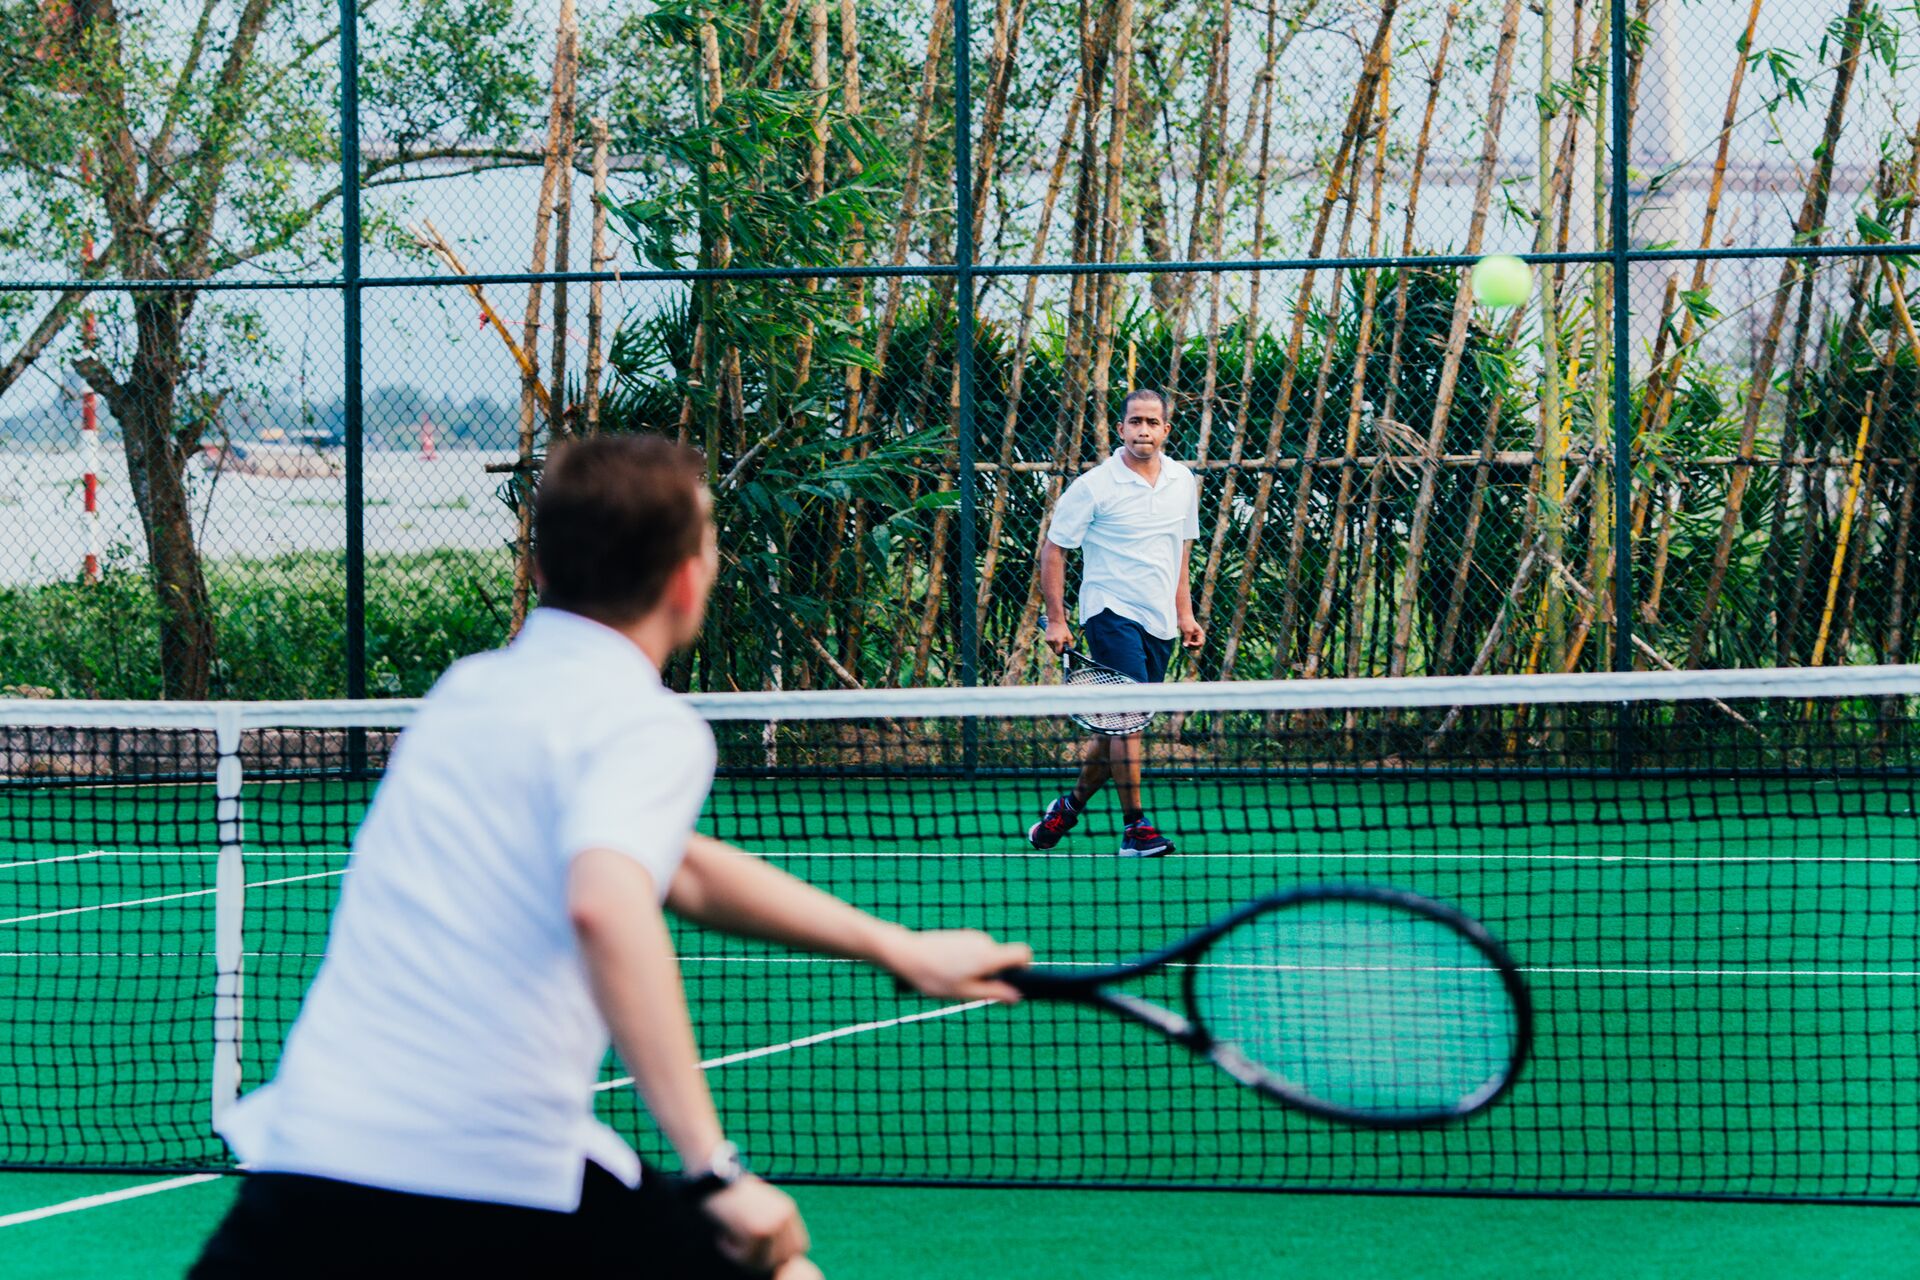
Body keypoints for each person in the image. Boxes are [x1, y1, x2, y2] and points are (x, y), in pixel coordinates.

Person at [192, 436, 1031, 1279]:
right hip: (488, 1173)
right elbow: (606, 900)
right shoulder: (647, 725)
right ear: (686, 583)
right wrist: (715, 1171)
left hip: (314, 1153)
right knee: (779, 1269)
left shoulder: (468, 692)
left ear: (542, 566)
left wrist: (895, 947)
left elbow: (680, 866)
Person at [1029, 389, 1205, 857]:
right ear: (1121, 428)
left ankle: (1067, 808)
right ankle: (1135, 828)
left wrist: (1185, 614)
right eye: (1135, 422)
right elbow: (1054, 550)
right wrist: (1057, 619)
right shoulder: (1094, 486)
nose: (1143, 430)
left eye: (1152, 422)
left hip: (1159, 622)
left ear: (1166, 430)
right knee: (1130, 719)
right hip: (1109, 613)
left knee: (1117, 726)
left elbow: (1180, 552)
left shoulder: (1182, 481)